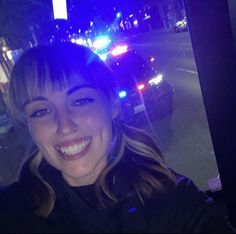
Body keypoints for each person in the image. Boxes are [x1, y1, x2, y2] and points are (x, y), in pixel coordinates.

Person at [0, 42, 234, 233]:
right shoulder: (11, 211)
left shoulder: (175, 202)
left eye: (80, 101)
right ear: (28, 126)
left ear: (112, 105)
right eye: (41, 111)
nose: (64, 126)